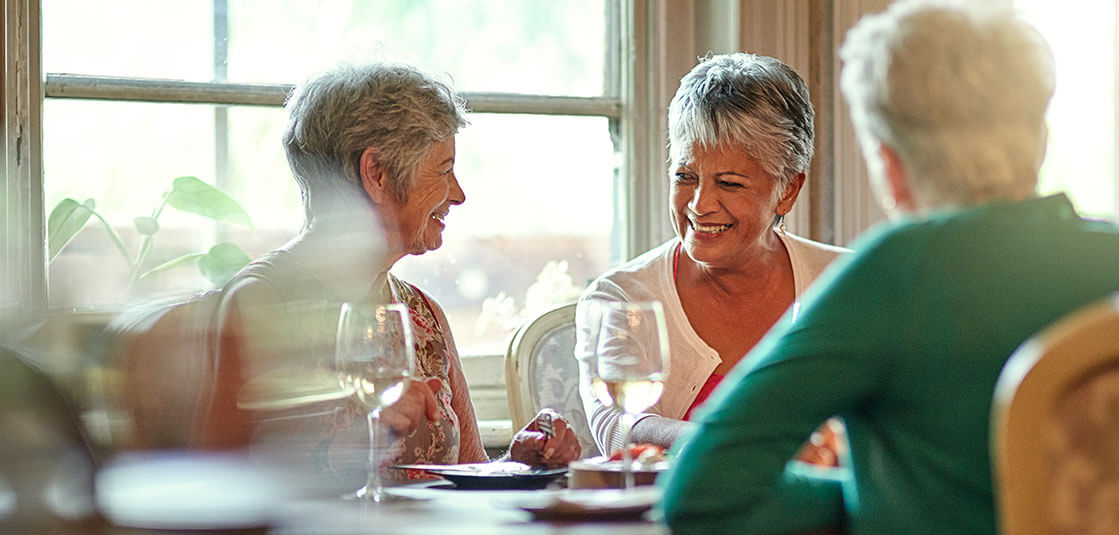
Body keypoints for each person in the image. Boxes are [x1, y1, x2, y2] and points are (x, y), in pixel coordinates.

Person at [659, 1, 1119, 533]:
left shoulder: (898, 272)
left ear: (890, 167)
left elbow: (699, 496)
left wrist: (874, 501)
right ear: (1039, 141)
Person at [202, 62, 579, 490]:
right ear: (376, 174)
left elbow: (467, 470)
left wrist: (522, 464)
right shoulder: (258, 304)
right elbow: (225, 491)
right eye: (443, 168)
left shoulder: (423, 316)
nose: (458, 193)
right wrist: (360, 443)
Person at [574, 52, 848, 460]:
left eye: (730, 183)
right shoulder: (622, 298)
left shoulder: (848, 280)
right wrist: (744, 445)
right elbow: (617, 426)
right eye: (685, 177)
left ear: (787, 190)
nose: (700, 204)